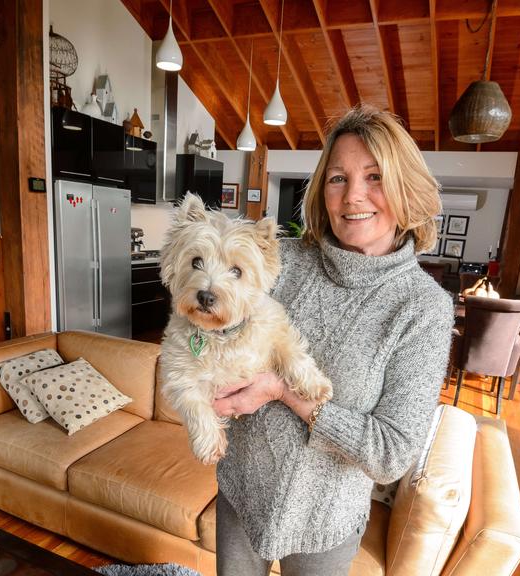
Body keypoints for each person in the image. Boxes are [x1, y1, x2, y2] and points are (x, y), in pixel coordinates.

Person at [211, 104, 454, 575]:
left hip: (327, 520)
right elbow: (220, 328)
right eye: (337, 178)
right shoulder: (285, 262)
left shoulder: (423, 308)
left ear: (405, 187)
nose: (352, 197)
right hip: (240, 491)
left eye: (374, 177)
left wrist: (285, 392)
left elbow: (392, 454)